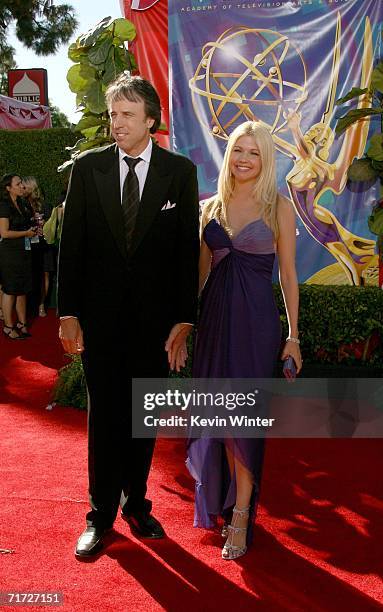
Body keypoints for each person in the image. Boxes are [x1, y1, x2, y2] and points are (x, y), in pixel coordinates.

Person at [58, 74, 200, 558]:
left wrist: (184, 318)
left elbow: (185, 251)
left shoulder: (178, 173)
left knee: (144, 415)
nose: (116, 123)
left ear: (151, 120)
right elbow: (71, 247)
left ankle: (137, 504)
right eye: (113, 114)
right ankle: (99, 515)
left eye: (126, 115)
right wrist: (69, 312)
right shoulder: (88, 169)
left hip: (154, 323)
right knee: (106, 417)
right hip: (99, 319)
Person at [170, 121, 302, 560]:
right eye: (238, 150)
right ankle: (233, 506)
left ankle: (242, 514)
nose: (244, 158)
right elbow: (200, 275)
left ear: (266, 159)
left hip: (256, 327)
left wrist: (293, 336)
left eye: (254, 152)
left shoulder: (279, 207)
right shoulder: (211, 207)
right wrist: (185, 325)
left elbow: (287, 276)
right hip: (214, 326)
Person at [0, 174, 36, 339]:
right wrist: (26, 233)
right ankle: (8, 326)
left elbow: (28, 226)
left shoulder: (23, 203)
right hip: (9, 253)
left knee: (22, 289)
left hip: (24, 251)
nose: (22, 185)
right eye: (18, 183)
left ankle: (22, 324)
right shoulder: (4, 205)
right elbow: (4, 233)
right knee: (10, 290)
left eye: (21, 182)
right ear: (9, 188)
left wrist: (35, 230)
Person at [22, 176, 54, 317]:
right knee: (29, 274)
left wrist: (44, 228)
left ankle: (41, 304)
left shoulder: (45, 206)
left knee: (45, 273)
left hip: (44, 245)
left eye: (24, 186)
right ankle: (29, 304)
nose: (22, 188)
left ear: (31, 187)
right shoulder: (21, 205)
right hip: (28, 245)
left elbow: (51, 226)